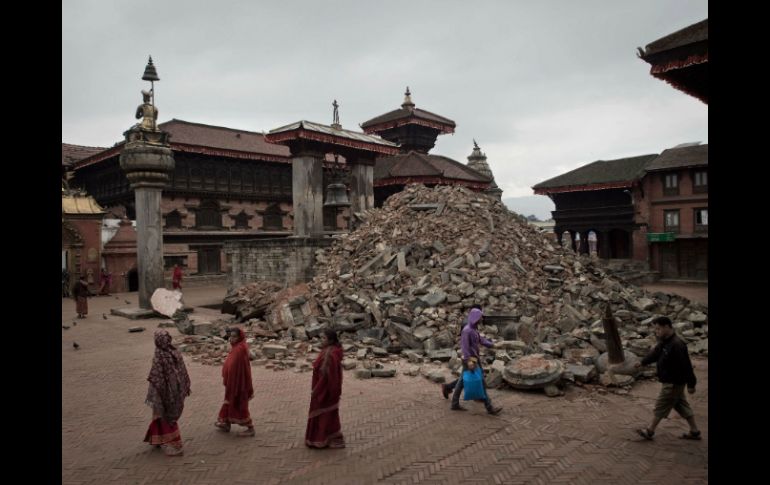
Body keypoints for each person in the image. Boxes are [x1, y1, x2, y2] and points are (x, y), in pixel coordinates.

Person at [635, 316, 701, 441]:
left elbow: (686, 366)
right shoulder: (665, 341)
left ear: (666, 327)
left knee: (661, 405)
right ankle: (694, 431)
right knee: (681, 405)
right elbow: (655, 353)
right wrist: (643, 362)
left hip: (673, 382)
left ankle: (650, 431)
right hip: (672, 382)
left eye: (658, 329)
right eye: (655, 329)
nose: (656, 332)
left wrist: (691, 384)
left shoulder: (677, 345)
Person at [442, 307, 502, 415]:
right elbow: (465, 347)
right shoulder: (467, 331)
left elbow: (481, 340)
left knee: (462, 382)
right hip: (470, 360)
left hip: (475, 359)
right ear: (475, 318)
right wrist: (469, 361)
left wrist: (492, 344)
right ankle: (489, 407)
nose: (481, 319)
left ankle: (452, 399)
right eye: (480, 317)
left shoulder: (474, 330)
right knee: (481, 382)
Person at [144, 330, 191, 456]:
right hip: (169, 392)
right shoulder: (172, 352)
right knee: (161, 415)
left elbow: (156, 377)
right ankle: (158, 439)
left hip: (167, 393)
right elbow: (160, 376)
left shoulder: (161, 355)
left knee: (166, 416)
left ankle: (174, 445)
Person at [305, 329, 345, 448]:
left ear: (331, 340)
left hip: (325, 390)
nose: (321, 340)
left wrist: (317, 390)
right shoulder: (330, 351)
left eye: (324, 338)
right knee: (329, 413)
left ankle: (321, 439)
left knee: (323, 413)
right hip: (328, 389)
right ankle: (331, 438)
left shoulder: (330, 355)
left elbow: (326, 376)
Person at [215, 327, 255, 437]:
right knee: (229, 401)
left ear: (239, 337)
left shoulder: (240, 349)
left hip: (239, 384)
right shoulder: (236, 347)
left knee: (240, 404)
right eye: (230, 336)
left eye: (234, 337)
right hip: (233, 383)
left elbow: (239, 369)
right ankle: (225, 423)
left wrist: (234, 383)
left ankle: (250, 428)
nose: (231, 339)